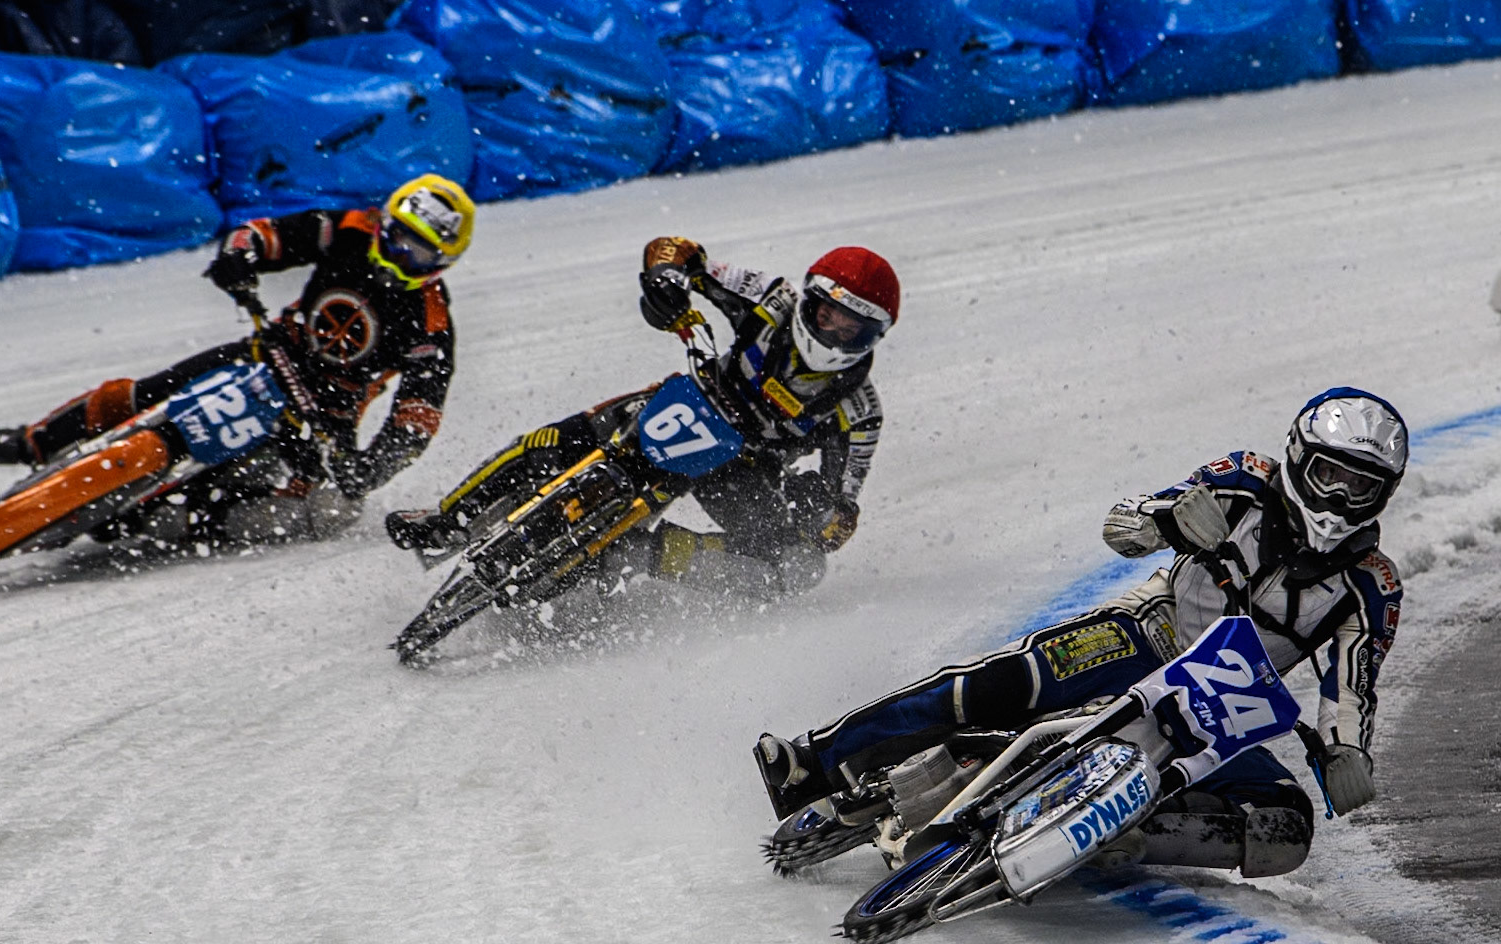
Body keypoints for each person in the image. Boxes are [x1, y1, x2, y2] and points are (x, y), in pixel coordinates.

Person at [755, 388, 1409, 878]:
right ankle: (814, 759)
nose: (1338, 500)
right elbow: (1122, 524)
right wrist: (1170, 520)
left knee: (1285, 825)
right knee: (1001, 682)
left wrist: (1343, 752)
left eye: (1361, 486)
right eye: (1330, 475)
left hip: (1219, 711)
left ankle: (1118, 836)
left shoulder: (1370, 583)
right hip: (1144, 634)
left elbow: (1350, 687)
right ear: (1299, 459)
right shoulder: (1243, 478)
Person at [0, 173, 476, 546]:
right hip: (268, 352)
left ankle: (180, 517)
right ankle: (35, 441)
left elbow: (419, 416)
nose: (398, 253)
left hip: (326, 416)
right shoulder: (347, 228)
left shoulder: (430, 322)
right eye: (397, 235)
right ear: (383, 221)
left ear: (441, 265)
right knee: (141, 393)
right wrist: (239, 260)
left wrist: (369, 470)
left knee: (327, 511)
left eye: (418, 252)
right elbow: (261, 234)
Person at [384, 237, 896, 596]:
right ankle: (449, 519)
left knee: (799, 568)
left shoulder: (860, 413)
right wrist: (666, 277)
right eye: (826, 312)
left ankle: (639, 555)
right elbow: (679, 252)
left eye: (849, 327)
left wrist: (819, 510)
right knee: (550, 443)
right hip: (694, 401)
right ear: (809, 299)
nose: (831, 329)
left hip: (744, 470)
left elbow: (843, 513)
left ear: (872, 336)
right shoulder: (770, 296)